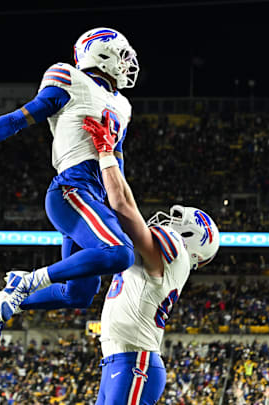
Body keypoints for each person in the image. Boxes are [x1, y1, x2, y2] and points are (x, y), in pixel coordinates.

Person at [0, 28, 140, 349]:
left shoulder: (124, 106)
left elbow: (117, 166)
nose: (128, 63)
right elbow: (16, 121)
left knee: (77, 294)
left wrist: (124, 213)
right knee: (119, 253)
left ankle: (2, 304)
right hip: (71, 190)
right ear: (100, 54)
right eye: (122, 54)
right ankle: (27, 281)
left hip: (96, 199)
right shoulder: (68, 78)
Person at [88, 115, 220, 404]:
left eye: (176, 223)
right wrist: (116, 145)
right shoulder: (164, 257)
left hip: (135, 364)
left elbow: (123, 205)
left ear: (189, 236)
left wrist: (106, 151)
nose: (166, 223)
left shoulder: (174, 253)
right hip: (118, 362)